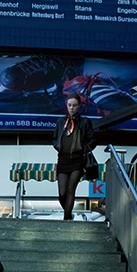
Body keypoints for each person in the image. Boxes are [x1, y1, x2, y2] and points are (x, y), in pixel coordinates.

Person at [52, 93, 96, 221]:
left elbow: (93, 140)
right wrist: (58, 147)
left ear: (79, 106)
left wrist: (83, 149)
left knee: (71, 189)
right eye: (69, 105)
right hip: (63, 160)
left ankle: (66, 219)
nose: (72, 108)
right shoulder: (61, 122)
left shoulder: (84, 122)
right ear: (66, 105)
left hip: (78, 161)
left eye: (75, 105)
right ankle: (69, 214)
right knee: (62, 193)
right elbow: (54, 138)